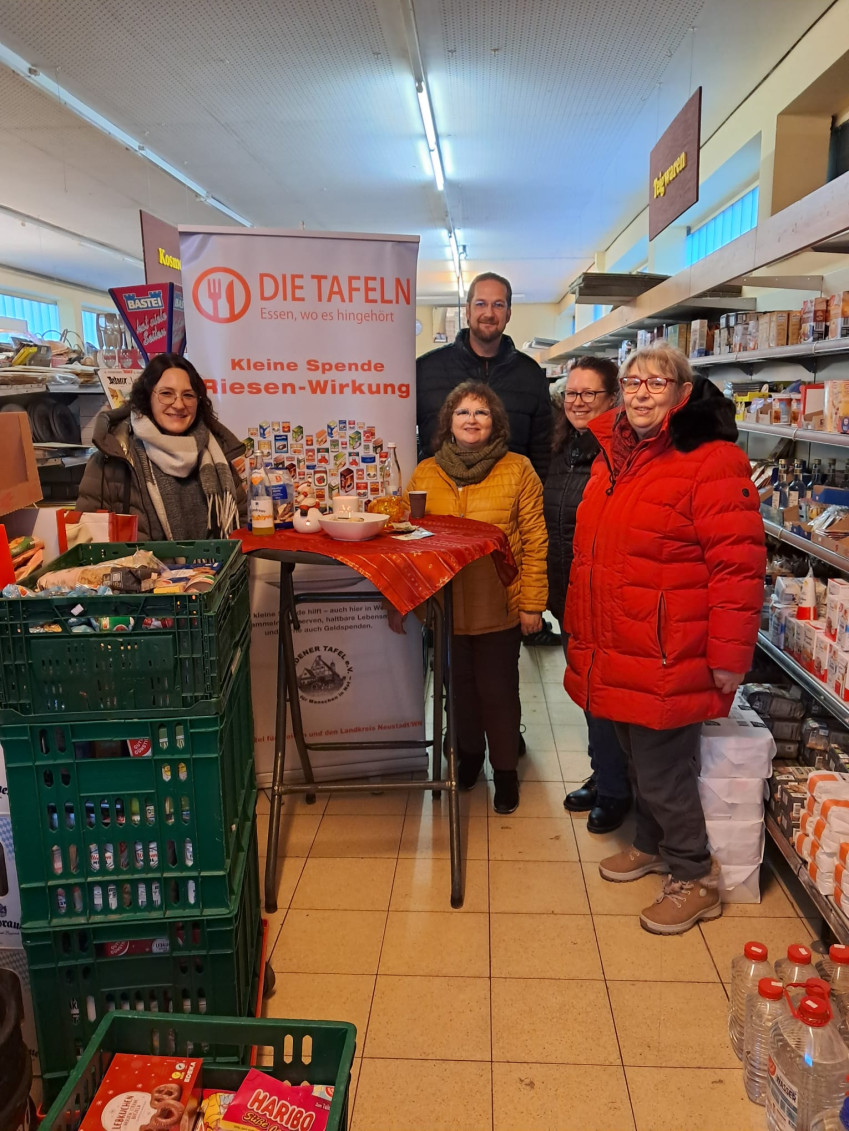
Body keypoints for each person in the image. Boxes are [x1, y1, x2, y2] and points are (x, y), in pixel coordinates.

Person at [563, 343, 765, 935]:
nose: (641, 393)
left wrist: (729, 656)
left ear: (682, 392)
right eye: (632, 382)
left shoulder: (712, 460)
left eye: (657, 382)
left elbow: (738, 566)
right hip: (617, 643)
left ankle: (694, 876)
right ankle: (651, 845)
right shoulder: (613, 457)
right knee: (634, 757)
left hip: (668, 649)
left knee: (663, 771)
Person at [401, 381, 548, 814]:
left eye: (481, 412)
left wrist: (533, 604)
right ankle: (468, 758)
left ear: (495, 422)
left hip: (499, 604)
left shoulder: (518, 469)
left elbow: (535, 541)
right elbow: (409, 537)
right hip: (446, 608)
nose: (471, 419)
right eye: (462, 411)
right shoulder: (427, 472)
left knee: (498, 694)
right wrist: (411, 601)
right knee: (459, 692)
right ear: (448, 421)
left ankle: (505, 772)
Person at [416, 271, 556, 647]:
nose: (488, 312)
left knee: (499, 656)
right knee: (449, 658)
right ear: (467, 310)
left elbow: (543, 447)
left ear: (508, 312)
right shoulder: (427, 370)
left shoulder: (530, 375)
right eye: (480, 303)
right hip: (442, 532)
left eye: (498, 304)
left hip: (508, 525)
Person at [543, 357, 631, 833]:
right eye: (570, 394)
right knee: (588, 692)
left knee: (607, 696)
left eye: (588, 394)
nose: (576, 402)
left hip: (605, 598)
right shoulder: (565, 448)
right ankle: (606, 775)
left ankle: (616, 789)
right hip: (568, 594)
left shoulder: (619, 453)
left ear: (613, 399)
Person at [77, 353, 246, 539]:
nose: (179, 404)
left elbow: (243, 528)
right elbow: (88, 539)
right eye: (166, 394)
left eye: (188, 395)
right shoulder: (113, 458)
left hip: (216, 559)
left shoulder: (218, 454)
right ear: (147, 397)